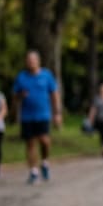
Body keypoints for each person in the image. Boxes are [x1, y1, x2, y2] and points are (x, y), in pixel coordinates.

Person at [13, 50, 62, 184]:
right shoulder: (21, 77)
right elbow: (15, 97)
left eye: (33, 60)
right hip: (27, 116)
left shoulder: (46, 75)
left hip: (43, 114)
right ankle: (33, 171)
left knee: (44, 140)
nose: (31, 62)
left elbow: (54, 94)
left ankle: (45, 162)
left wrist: (57, 113)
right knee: (30, 143)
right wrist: (20, 96)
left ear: (38, 61)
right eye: (29, 60)